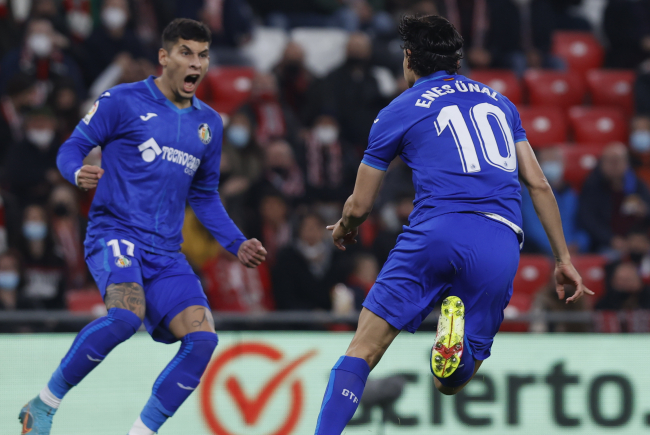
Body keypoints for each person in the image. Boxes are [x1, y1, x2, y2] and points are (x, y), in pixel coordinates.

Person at [313, 15, 592, 434]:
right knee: (448, 384)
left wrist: (344, 227)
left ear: (409, 58)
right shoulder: (501, 103)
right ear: (457, 61)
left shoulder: (399, 109)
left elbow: (361, 204)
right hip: (498, 241)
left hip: (436, 232)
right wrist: (563, 259)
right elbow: (538, 184)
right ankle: (455, 349)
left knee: (363, 350)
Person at [18, 18, 267, 435]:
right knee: (125, 317)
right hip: (115, 233)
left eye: (203, 55)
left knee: (203, 339)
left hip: (166, 252)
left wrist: (236, 242)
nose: (196, 63)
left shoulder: (209, 124)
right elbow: (72, 146)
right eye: (186, 53)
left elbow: (204, 195)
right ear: (164, 57)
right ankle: (43, 405)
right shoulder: (122, 100)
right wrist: (76, 171)